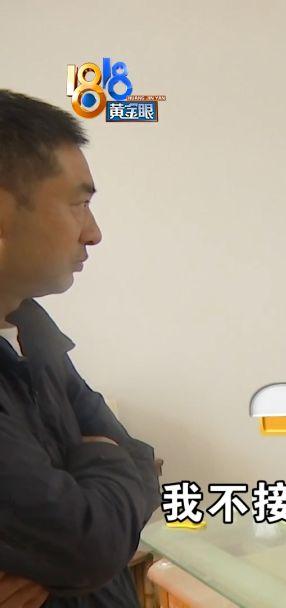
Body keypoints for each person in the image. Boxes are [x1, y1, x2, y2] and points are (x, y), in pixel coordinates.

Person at [0, 90, 159, 607]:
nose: (94, 234)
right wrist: (102, 459)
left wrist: (94, 490)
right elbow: (87, 546)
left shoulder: (31, 331)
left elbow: (143, 459)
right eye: (79, 204)